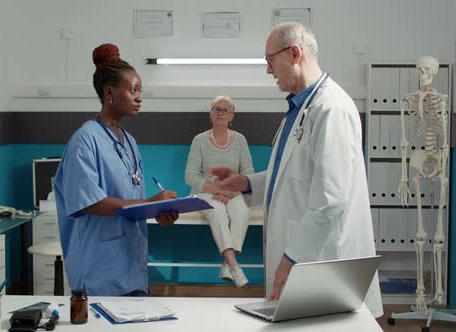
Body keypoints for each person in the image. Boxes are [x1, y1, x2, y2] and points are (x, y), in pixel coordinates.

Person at [211, 22, 383, 317]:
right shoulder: (300, 109)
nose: (268, 70)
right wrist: (246, 183)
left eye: (270, 60)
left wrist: (292, 257)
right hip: (307, 257)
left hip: (324, 259)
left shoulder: (332, 109)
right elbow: (295, 176)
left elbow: (331, 200)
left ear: (293, 53)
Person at [53, 43, 178, 297]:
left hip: (131, 264)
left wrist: (157, 211)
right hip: (99, 267)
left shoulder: (129, 142)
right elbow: (89, 203)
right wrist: (148, 201)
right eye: (133, 90)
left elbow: (132, 204)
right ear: (109, 92)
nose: (139, 97)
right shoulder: (84, 140)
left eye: (140, 91)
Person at [184, 96, 254, 287]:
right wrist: (217, 190)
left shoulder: (240, 140)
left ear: (232, 115)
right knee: (217, 211)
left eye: (226, 110)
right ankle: (234, 266)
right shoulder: (199, 140)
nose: (221, 113)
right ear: (210, 114)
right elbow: (190, 175)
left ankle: (226, 266)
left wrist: (232, 191)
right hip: (206, 192)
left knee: (242, 211)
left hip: (233, 192)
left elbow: (248, 172)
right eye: (217, 109)